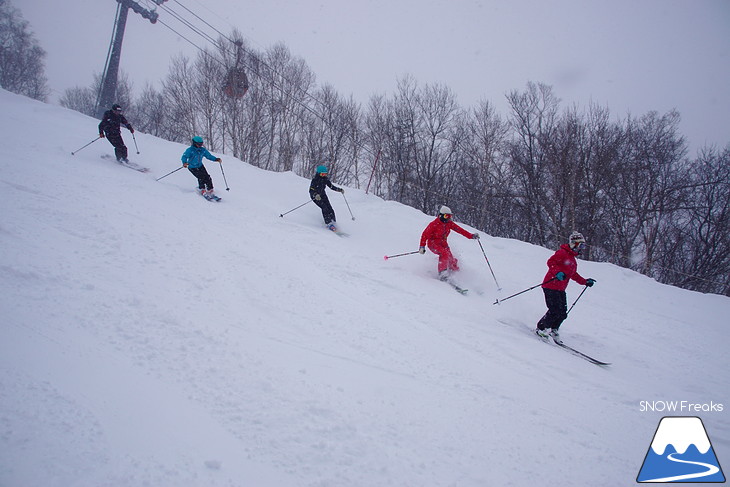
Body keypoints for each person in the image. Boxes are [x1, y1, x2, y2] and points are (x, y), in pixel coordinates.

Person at [535, 231, 596, 342]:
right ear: (574, 244)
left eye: (583, 245)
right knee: (555, 310)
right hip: (550, 285)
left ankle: (554, 329)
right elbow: (551, 262)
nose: (582, 248)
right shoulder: (562, 253)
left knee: (563, 313)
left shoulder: (572, 259)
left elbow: (573, 274)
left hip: (560, 288)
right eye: (580, 245)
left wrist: (585, 282)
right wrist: (557, 272)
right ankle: (541, 328)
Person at [419, 206, 479, 280]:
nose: (448, 218)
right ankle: (442, 273)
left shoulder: (449, 223)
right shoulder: (434, 224)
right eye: (446, 216)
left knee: (451, 259)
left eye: (450, 216)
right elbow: (424, 235)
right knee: (444, 253)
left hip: (443, 244)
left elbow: (460, 230)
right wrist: (422, 247)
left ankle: (455, 272)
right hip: (433, 244)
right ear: (441, 215)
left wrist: (471, 236)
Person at [309, 165, 344, 231]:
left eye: (325, 174)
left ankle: (333, 222)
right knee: (324, 207)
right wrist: (315, 195)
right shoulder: (315, 180)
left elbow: (331, 186)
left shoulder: (325, 179)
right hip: (316, 197)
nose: (324, 175)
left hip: (323, 195)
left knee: (330, 208)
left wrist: (339, 190)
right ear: (319, 173)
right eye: (322, 174)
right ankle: (328, 223)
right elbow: (311, 190)